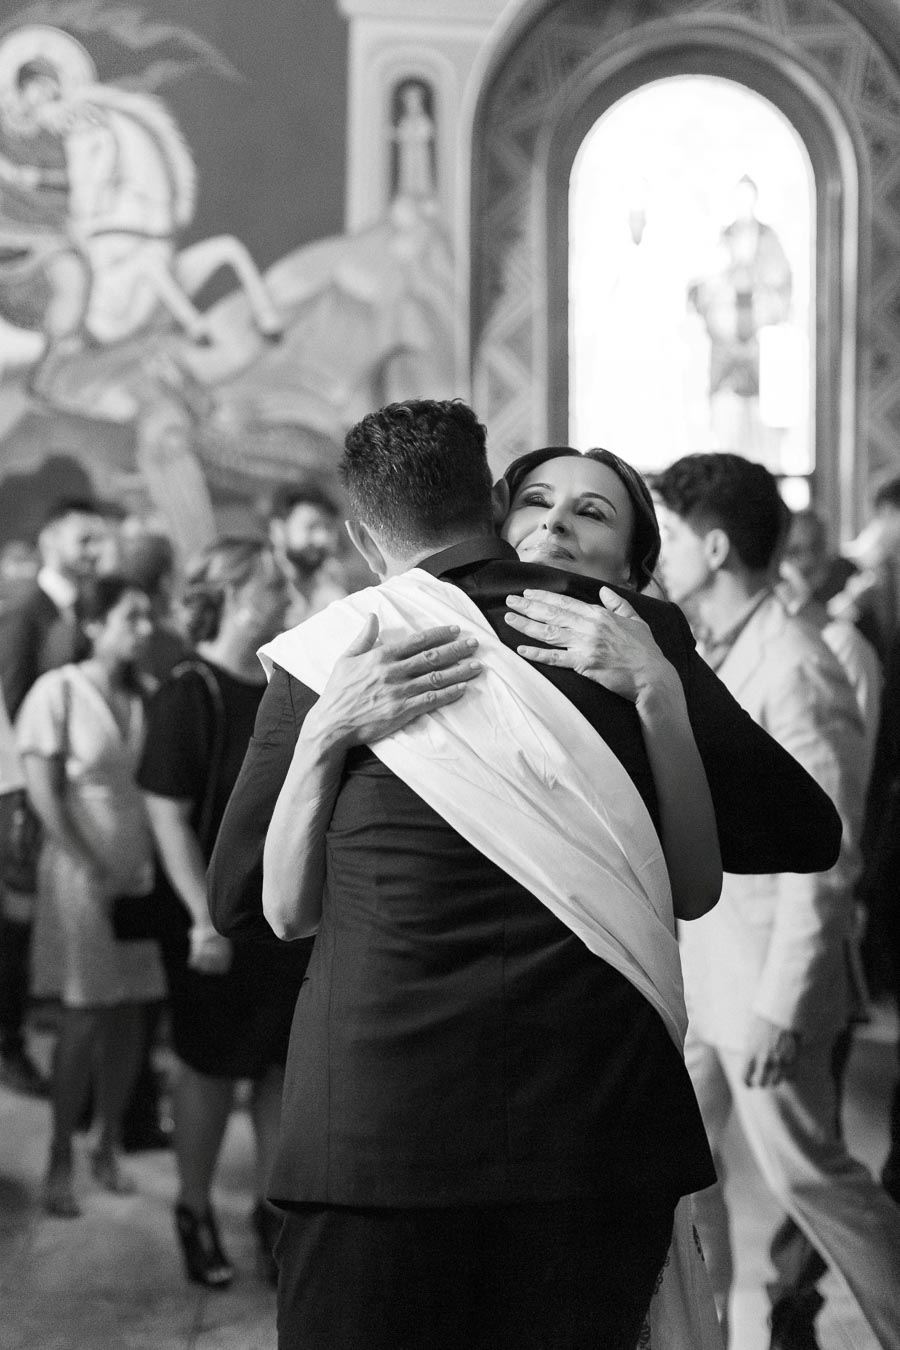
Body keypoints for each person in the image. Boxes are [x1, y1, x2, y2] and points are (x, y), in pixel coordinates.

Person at [209, 402, 842, 1350]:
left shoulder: (336, 649)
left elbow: (240, 901)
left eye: (590, 511)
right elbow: (801, 829)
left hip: (379, 1125)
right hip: (596, 1123)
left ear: (358, 533)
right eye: (541, 502)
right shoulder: (637, 632)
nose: (556, 526)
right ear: (499, 503)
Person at [653, 452, 900, 1350]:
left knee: (814, 1183)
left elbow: (826, 854)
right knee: (681, 1176)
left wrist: (780, 1008)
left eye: (671, 533)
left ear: (716, 546)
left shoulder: (797, 666)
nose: (661, 551)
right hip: (705, 972)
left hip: (763, 989)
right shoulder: (717, 645)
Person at [136, 538, 310, 1291]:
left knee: (277, 1065)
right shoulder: (190, 690)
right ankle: (194, 1208)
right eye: (273, 585)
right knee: (208, 1070)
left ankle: (273, 1213)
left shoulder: (282, 682)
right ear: (238, 596)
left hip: (278, 913)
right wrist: (201, 916)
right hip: (211, 920)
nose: (287, 597)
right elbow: (167, 816)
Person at [15, 575, 166, 1216]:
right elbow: (43, 789)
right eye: (133, 615)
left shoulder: (147, 694)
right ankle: (59, 1154)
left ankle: (106, 1141)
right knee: (83, 1014)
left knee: (133, 1009)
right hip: (80, 871)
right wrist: (88, 861)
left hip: (138, 873)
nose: (145, 628)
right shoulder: (60, 690)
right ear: (96, 624)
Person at [0, 497, 109, 1098]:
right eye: (83, 541)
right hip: (28, 794)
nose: (94, 553)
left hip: (78, 791)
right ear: (50, 542)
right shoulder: (25, 616)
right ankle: (9, 1043)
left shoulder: (90, 609)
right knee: (17, 920)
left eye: (100, 541)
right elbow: (16, 712)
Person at [266, 484, 347, 626]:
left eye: (328, 528)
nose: (322, 538)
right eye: (311, 527)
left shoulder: (333, 592)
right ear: (278, 530)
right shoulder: (259, 592)